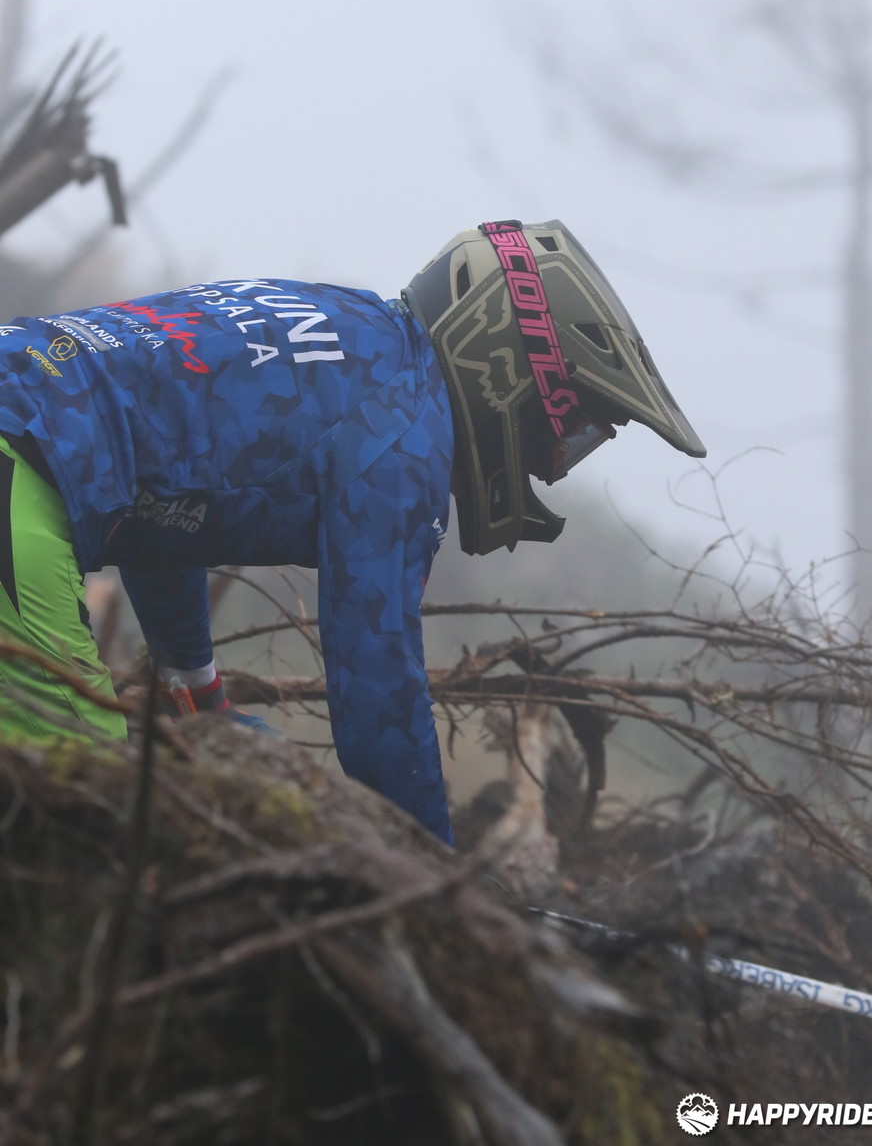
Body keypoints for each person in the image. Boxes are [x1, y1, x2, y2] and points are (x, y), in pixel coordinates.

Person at [0, 219, 704, 843]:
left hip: (21, 422)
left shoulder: (348, 326)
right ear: (513, 377)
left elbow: (164, 503)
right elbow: (377, 693)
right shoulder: (404, 438)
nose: (553, 467)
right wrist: (436, 885)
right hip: (17, 464)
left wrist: (197, 694)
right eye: (565, 437)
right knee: (84, 820)